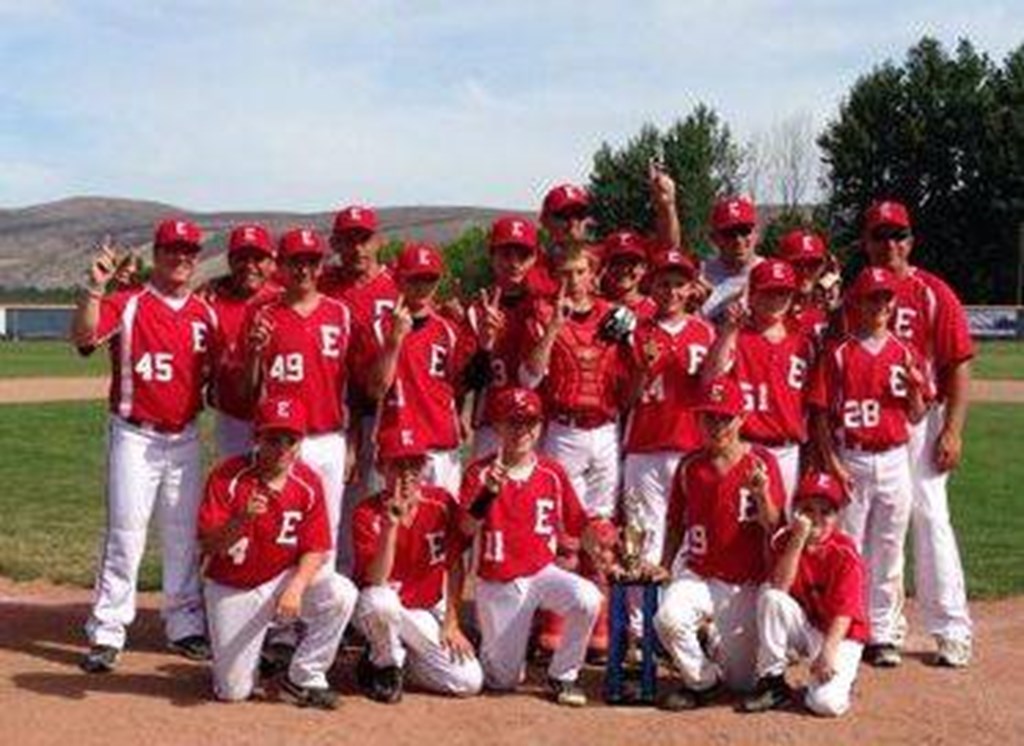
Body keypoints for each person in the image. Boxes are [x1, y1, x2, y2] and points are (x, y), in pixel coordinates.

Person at [71, 218, 217, 673]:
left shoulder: (204, 313)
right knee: (125, 535)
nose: (181, 257)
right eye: (172, 249)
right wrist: (94, 289)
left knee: (182, 536)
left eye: (189, 250)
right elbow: (84, 338)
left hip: (186, 436)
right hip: (135, 434)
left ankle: (183, 623)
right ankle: (108, 630)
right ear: (157, 254)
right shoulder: (128, 302)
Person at [859, 200, 975, 667]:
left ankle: (950, 627)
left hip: (921, 421)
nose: (891, 245)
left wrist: (952, 429)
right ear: (866, 243)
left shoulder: (932, 292)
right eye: (881, 236)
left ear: (911, 240)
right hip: (870, 422)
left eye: (898, 236)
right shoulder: (858, 292)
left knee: (929, 516)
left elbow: (959, 362)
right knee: (874, 525)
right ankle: (880, 626)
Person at [198, 395, 356, 709]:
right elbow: (208, 546)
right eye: (273, 439)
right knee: (233, 692)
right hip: (234, 586)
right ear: (257, 438)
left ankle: (303, 677)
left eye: (291, 440)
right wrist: (241, 519)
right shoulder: (227, 477)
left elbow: (317, 547)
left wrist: (296, 589)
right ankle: (247, 660)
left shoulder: (308, 481)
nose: (282, 448)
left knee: (341, 592)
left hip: (282, 580)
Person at [809, 266, 929, 668]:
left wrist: (915, 388)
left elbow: (915, 415)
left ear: (893, 305)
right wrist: (832, 462)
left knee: (890, 548)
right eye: (870, 298)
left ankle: (881, 633)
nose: (879, 305)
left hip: (894, 456)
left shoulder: (906, 352)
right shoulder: (839, 353)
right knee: (850, 548)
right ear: (855, 304)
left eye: (885, 299)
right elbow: (822, 415)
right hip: (853, 456)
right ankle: (849, 627)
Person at [520, 244, 634, 657]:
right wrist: (553, 328)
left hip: (604, 427)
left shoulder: (615, 316)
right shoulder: (542, 314)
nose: (574, 280)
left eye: (581, 271)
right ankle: (555, 627)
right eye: (566, 272)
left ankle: (600, 628)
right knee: (563, 533)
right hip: (563, 428)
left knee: (602, 531)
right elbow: (530, 376)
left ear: (594, 274)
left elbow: (632, 368)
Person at [458, 387, 604, 707]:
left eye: (529, 423)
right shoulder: (480, 472)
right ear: (498, 427)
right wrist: (487, 495)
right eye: (513, 422)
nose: (522, 431)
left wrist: (606, 554)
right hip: (500, 581)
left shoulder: (552, 471)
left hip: (541, 573)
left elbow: (579, 523)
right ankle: (490, 642)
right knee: (502, 681)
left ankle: (563, 675)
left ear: (539, 427)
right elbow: (465, 529)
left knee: (588, 598)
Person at [654, 376, 786, 711]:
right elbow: (673, 523)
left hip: (746, 585)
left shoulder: (762, 462)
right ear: (698, 419)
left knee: (740, 683)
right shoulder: (689, 466)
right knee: (668, 618)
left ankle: (712, 641)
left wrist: (761, 494)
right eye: (708, 417)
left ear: (741, 418)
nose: (716, 425)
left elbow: (776, 526)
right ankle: (702, 682)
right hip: (701, 576)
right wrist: (665, 566)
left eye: (724, 417)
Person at [243, 227, 355, 558]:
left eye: (311, 261)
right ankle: (276, 603)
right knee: (278, 525)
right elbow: (250, 390)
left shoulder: (340, 314)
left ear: (321, 266)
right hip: (280, 440)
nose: (303, 269)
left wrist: (351, 443)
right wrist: (253, 352)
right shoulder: (263, 314)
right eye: (295, 261)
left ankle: (318, 607)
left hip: (329, 436)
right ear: (280, 265)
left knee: (327, 528)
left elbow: (355, 386)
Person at [351, 430, 483, 703]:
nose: (407, 472)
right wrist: (390, 527)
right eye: (398, 464)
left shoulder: (441, 502)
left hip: (422, 613)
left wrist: (452, 622)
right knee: (381, 602)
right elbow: (376, 580)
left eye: (415, 464)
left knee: (468, 681)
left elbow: (455, 562)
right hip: (377, 609)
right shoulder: (366, 512)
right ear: (380, 467)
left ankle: (400, 660)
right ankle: (384, 664)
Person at [621, 249, 715, 604]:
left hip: (691, 447)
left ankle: (682, 618)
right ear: (651, 286)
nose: (672, 292)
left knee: (691, 537)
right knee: (644, 536)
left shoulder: (705, 333)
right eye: (664, 284)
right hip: (645, 445)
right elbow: (623, 401)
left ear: (692, 288)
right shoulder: (634, 331)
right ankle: (640, 625)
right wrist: (643, 371)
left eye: (679, 284)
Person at [740, 471, 867, 717]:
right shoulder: (786, 540)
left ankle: (843, 679)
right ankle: (774, 682)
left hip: (841, 636)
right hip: (807, 626)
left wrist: (828, 653)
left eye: (826, 512)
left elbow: (845, 612)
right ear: (796, 511)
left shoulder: (845, 553)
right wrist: (798, 539)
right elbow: (780, 588)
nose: (817, 518)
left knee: (825, 705)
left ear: (837, 517)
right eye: (809, 509)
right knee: (770, 596)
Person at [361, 242, 470, 496]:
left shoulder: (449, 329)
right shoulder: (378, 328)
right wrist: (395, 340)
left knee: (441, 529)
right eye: (414, 279)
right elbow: (376, 390)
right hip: (395, 448)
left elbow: (458, 386)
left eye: (429, 280)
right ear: (399, 280)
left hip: (440, 445)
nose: (422, 287)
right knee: (392, 525)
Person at [703, 259, 815, 504]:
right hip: (744, 445)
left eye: (783, 293)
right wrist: (729, 331)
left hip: (787, 449)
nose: (776, 300)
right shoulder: (737, 336)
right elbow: (711, 378)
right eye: (768, 292)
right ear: (751, 297)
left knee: (779, 525)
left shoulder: (803, 342)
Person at [319, 205, 400, 505]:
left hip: (387, 412)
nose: (357, 248)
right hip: (340, 412)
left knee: (379, 505)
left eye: (364, 239)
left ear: (378, 241)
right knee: (340, 509)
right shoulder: (323, 285)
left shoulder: (398, 284)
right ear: (334, 244)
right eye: (348, 240)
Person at [463, 216, 544, 459]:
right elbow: (469, 381)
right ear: (492, 257)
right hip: (492, 424)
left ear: (534, 259)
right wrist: (485, 345)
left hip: (537, 424)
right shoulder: (477, 310)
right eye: (506, 255)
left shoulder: (544, 308)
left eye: (522, 256)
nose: (514, 263)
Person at [204, 223, 280, 457]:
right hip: (233, 419)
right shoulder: (209, 299)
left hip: (283, 420)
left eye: (258, 258)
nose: (249, 266)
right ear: (229, 261)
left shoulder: (286, 297)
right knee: (234, 488)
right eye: (241, 258)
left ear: (272, 262)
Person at [700, 195, 765, 323]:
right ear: (714, 238)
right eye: (729, 233)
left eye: (744, 231)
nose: (738, 240)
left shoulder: (770, 273)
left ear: (756, 234)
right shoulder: (700, 274)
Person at [776, 228, 839, 348]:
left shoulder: (830, 317)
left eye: (813, 264)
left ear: (823, 266)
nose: (805, 271)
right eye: (797, 264)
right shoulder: (767, 316)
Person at [600, 230, 656, 322]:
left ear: (644, 268)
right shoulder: (595, 308)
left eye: (632, 263)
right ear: (606, 267)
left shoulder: (657, 309)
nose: (624, 270)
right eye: (617, 263)